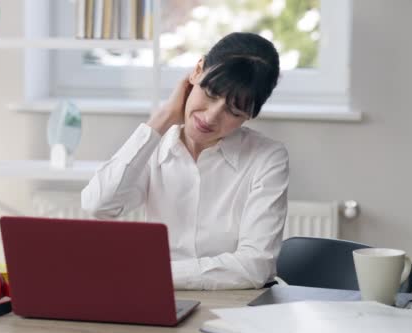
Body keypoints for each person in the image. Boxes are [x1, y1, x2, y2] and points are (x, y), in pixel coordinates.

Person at [81, 32, 289, 290]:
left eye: (233, 112)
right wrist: (163, 117)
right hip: (159, 295)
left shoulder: (267, 158)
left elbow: (254, 266)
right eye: (210, 94)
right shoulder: (153, 145)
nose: (211, 117)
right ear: (197, 71)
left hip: (234, 304)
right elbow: (99, 205)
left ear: (249, 115)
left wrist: (151, 272)